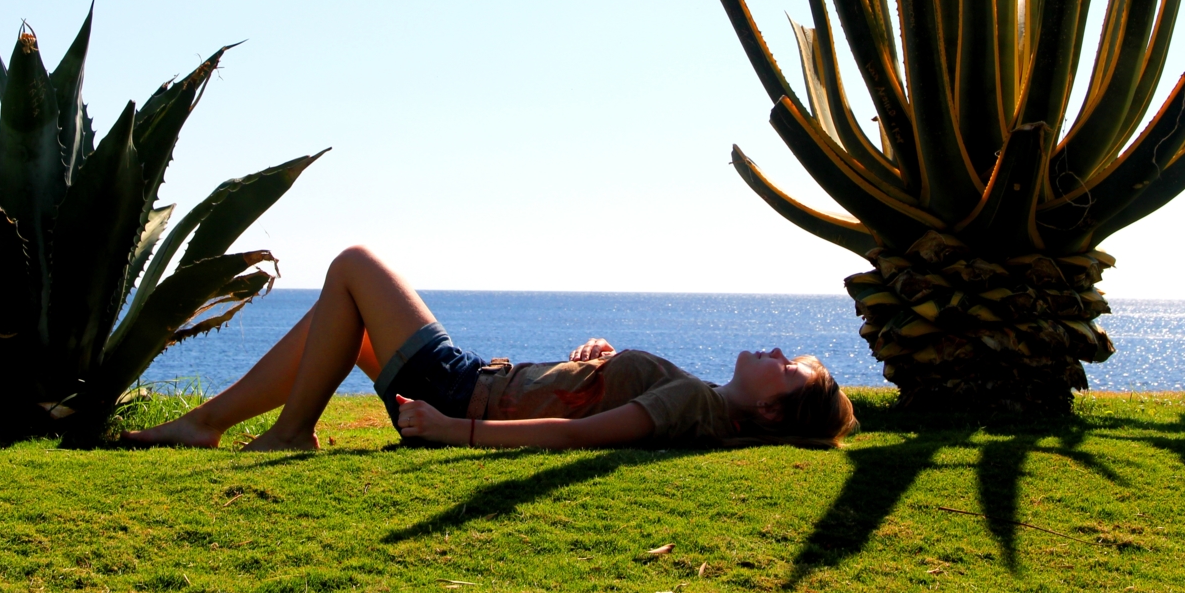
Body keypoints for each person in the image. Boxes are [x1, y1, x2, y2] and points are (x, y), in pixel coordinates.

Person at [124, 246, 858, 451]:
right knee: (338, 325)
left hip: (463, 392)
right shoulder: (698, 402)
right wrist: (596, 363)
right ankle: (209, 423)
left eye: (788, 367)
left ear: (770, 411)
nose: (775, 349)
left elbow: (576, 435)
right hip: (469, 388)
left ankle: (287, 432)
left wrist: (455, 430)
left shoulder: (692, 403)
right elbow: (591, 403)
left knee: (352, 266)